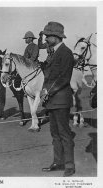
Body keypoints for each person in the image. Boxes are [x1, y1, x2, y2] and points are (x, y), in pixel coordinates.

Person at [40, 21, 76, 177]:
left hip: (60, 99)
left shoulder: (66, 52)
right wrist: (44, 90)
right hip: (52, 100)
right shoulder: (53, 52)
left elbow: (64, 78)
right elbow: (48, 76)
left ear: (56, 37)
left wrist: (49, 91)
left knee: (64, 133)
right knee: (54, 133)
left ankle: (69, 165)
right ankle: (58, 162)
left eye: (48, 36)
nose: (46, 38)